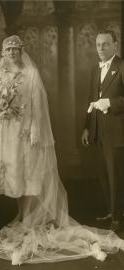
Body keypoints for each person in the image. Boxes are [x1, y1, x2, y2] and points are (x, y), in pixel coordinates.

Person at [0, 35, 124, 265]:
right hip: (8, 133)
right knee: (13, 175)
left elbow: (38, 104)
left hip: (26, 132)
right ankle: (20, 214)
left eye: (15, 50)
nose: (12, 54)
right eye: (8, 51)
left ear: (21, 52)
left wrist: (35, 130)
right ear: (3, 53)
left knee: (28, 174)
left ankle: (30, 217)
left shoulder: (31, 74)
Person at [82, 29, 124, 232]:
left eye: (105, 44)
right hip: (97, 131)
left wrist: (110, 103)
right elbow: (91, 100)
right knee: (103, 175)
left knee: (116, 176)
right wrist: (86, 128)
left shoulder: (122, 65)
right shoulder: (94, 70)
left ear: (115, 45)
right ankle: (111, 210)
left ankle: (118, 218)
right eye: (98, 45)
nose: (101, 48)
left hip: (116, 133)